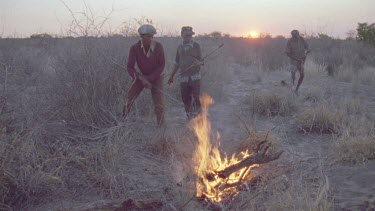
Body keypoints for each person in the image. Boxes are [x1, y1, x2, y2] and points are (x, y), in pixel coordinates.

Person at [123, 24, 165, 126]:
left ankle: (161, 127)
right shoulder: (134, 48)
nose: (151, 38)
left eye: (152, 36)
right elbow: (130, 67)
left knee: (159, 104)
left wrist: (149, 78)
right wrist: (141, 78)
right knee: (128, 100)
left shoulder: (158, 46)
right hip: (140, 77)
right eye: (148, 36)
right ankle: (123, 123)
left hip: (156, 77)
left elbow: (161, 65)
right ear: (142, 36)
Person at [168, 26, 203, 119]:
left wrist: (198, 63)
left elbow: (201, 61)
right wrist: (171, 76)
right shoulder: (179, 47)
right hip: (183, 78)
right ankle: (190, 119)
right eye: (187, 35)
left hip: (195, 77)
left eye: (190, 35)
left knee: (196, 98)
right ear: (182, 35)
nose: (189, 37)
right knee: (185, 99)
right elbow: (176, 63)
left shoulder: (196, 46)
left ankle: (200, 120)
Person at [285, 29, 310, 94]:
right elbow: (288, 53)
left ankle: (296, 89)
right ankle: (292, 88)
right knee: (293, 75)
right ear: (292, 36)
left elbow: (307, 46)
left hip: (301, 61)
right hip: (293, 61)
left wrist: (307, 50)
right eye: (294, 36)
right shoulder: (289, 41)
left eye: (297, 36)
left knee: (302, 75)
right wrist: (295, 58)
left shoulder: (302, 39)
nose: (296, 37)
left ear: (298, 35)